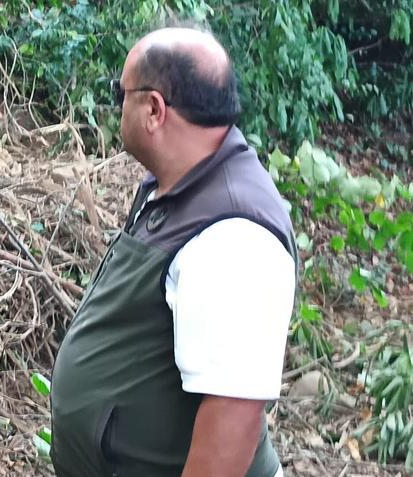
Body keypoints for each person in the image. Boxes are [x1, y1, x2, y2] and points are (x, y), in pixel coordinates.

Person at [49, 24, 298, 477]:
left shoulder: (234, 237)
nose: (116, 105)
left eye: (120, 92)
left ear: (153, 109)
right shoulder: (179, 185)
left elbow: (231, 424)